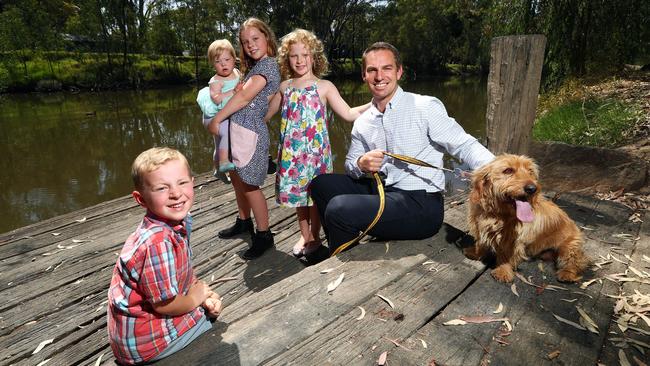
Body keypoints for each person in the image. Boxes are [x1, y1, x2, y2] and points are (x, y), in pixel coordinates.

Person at [310, 42, 495, 258]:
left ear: (399, 71)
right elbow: (351, 166)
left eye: (387, 68)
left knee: (339, 209)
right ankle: (343, 246)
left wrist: (501, 170)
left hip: (421, 205)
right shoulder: (363, 121)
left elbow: (464, 144)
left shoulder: (424, 106)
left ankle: (340, 259)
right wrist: (361, 163)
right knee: (321, 185)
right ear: (364, 75)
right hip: (385, 193)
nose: (379, 76)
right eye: (372, 70)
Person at [107, 147, 222, 365]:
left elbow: (180, 272)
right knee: (210, 319)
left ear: (193, 181)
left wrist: (201, 295)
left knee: (206, 302)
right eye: (162, 188)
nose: (176, 193)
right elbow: (163, 305)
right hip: (145, 344)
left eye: (182, 183)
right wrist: (195, 300)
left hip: (140, 332)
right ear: (141, 199)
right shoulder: (157, 242)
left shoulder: (172, 223)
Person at [266, 29, 370, 258]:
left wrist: (375, 102)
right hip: (291, 158)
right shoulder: (284, 88)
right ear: (287, 59)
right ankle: (305, 236)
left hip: (316, 157)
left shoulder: (325, 86)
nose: (300, 60)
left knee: (315, 199)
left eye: (305, 54)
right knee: (299, 201)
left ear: (314, 57)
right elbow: (265, 114)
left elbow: (349, 113)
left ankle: (315, 236)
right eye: (294, 55)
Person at [206, 18, 280, 260]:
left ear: (267, 37)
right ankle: (243, 221)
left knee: (250, 185)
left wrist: (218, 119)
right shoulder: (254, 68)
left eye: (255, 39)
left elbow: (246, 97)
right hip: (239, 130)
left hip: (248, 133)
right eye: (245, 42)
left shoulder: (268, 66)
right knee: (238, 179)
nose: (251, 45)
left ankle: (264, 234)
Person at [196, 39, 241, 183]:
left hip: (224, 113)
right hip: (213, 115)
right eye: (218, 61)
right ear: (213, 64)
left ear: (234, 59)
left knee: (218, 143)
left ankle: (217, 170)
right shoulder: (216, 81)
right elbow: (216, 99)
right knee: (226, 133)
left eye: (227, 59)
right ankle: (223, 162)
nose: (223, 64)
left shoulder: (236, 72)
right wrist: (233, 92)